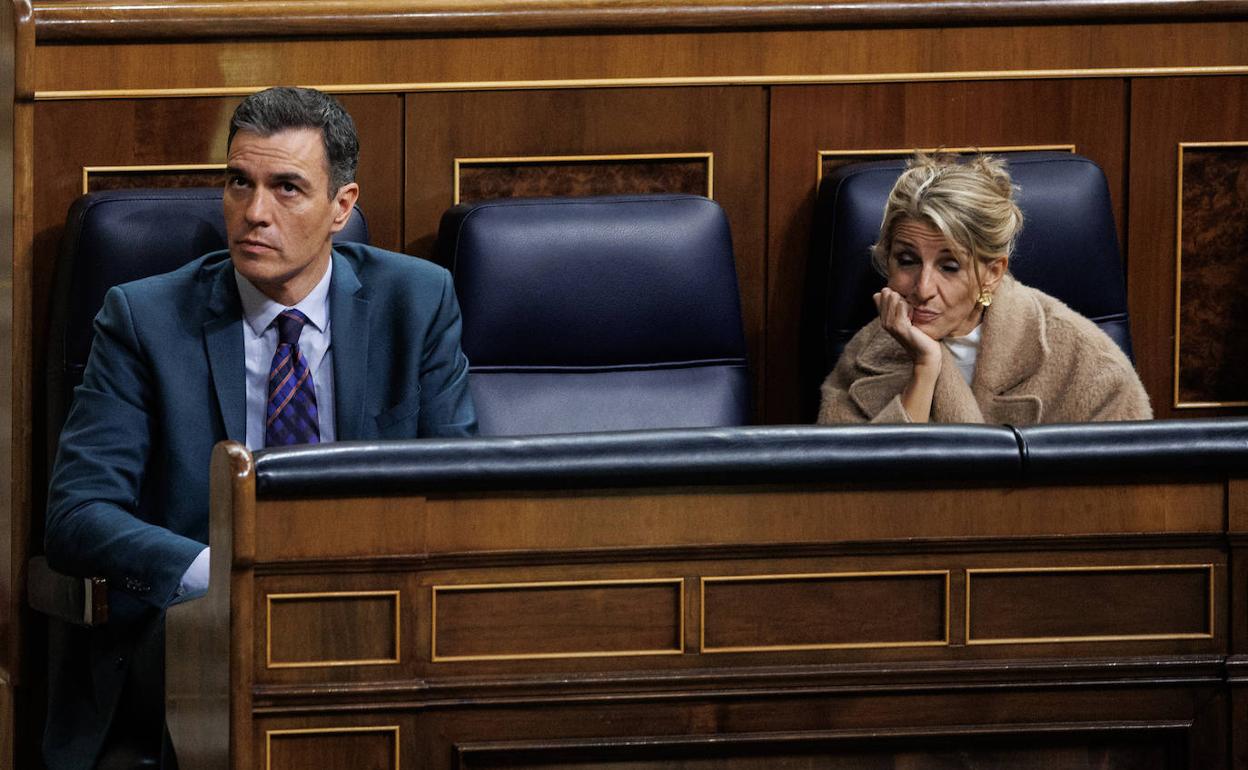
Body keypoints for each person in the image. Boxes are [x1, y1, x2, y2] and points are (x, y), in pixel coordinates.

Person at [42, 86, 477, 769]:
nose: (253, 213)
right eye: (239, 183)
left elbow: (458, 489)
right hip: (195, 625)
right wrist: (223, 574)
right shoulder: (145, 319)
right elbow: (78, 513)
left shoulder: (416, 303)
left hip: (369, 608)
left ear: (342, 207)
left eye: (287, 189)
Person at [817, 153, 1151, 424]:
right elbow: (855, 496)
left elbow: (1124, 493)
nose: (922, 288)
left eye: (949, 267)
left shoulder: (1086, 361)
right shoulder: (864, 356)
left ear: (992, 273)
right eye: (907, 260)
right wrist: (924, 366)